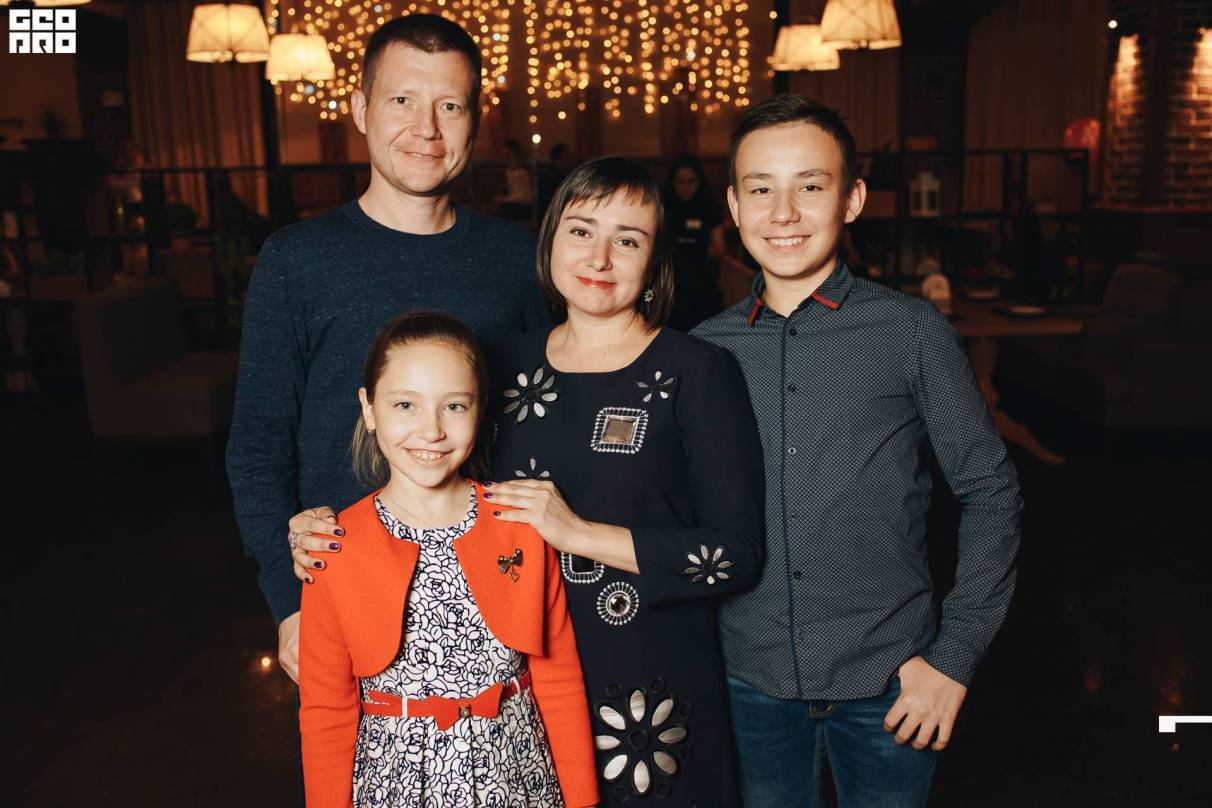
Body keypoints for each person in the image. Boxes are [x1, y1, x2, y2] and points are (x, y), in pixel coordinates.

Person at [289, 157, 766, 806]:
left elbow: (736, 555)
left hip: (649, 684)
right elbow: (432, 482)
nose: (600, 257)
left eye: (628, 240)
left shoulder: (698, 371)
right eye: (581, 231)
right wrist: (327, 532)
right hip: (516, 696)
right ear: (550, 240)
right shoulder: (505, 366)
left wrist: (578, 533)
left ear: (655, 261)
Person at [691, 94, 1023, 807]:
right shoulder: (704, 351)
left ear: (852, 200)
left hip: (892, 683)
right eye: (761, 190)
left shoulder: (910, 331)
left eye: (810, 186)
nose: (784, 213)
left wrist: (955, 657)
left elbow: (990, 489)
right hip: (747, 681)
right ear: (735, 206)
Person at [226, 12, 547, 693]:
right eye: (402, 99)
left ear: (474, 120)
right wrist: (287, 601)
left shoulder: (517, 257)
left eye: (449, 106)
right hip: (343, 594)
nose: (426, 129)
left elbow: (541, 422)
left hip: (497, 596)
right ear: (360, 109)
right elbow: (257, 442)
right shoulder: (295, 260)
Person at [298, 311, 597, 807]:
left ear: (480, 410)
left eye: (454, 405)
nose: (431, 430)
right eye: (405, 405)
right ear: (369, 409)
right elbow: (326, 708)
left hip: (518, 775)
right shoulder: (333, 546)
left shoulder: (521, 523)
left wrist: (583, 799)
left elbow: (558, 673)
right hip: (394, 785)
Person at [662, 154, 726, 331]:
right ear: (672, 182)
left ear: (699, 181)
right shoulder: (663, 205)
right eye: (680, 182)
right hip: (670, 280)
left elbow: (719, 249)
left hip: (701, 278)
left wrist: (695, 248)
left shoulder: (708, 205)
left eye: (691, 182)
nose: (685, 187)